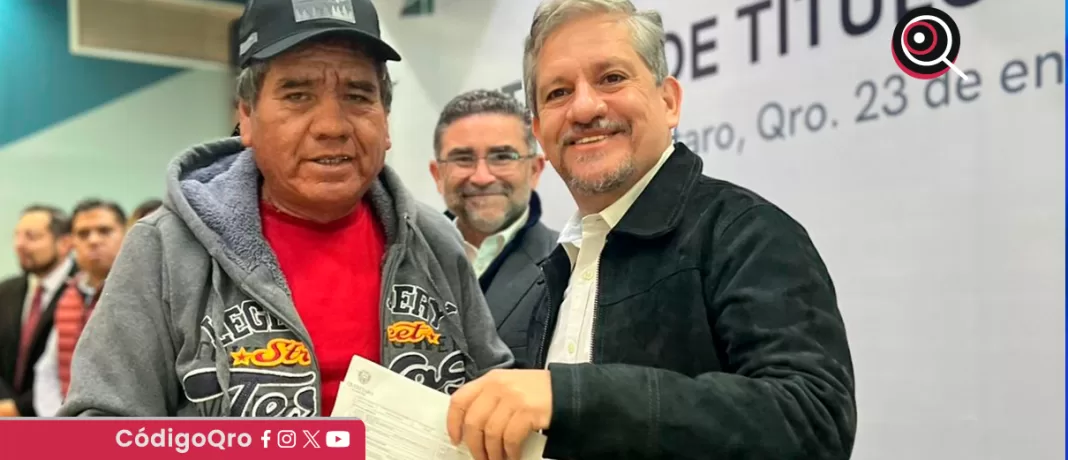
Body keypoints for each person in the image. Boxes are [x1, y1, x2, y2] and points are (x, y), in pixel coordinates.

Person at [59, 0, 512, 418]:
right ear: (247, 117)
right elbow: (96, 427)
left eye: (358, 95)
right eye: (298, 95)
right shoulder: (165, 249)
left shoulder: (434, 241)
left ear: (386, 121)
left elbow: (494, 397)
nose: (332, 126)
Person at [445, 1, 857, 459]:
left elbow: (814, 421)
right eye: (559, 92)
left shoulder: (746, 232)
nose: (584, 107)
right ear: (540, 132)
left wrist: (569, 397)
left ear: (669, 101)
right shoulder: (566, 265)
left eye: (611, 78)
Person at [429, 89, 558, 362]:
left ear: (535, 170)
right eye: (463, 158)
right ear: (438, 175)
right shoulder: (404, 260)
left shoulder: (569, 266)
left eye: (502, 157)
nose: (482, 177)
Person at [33, 199, 127, 416]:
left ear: (126, 234)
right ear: (72, 241)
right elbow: (48, 369)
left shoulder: (141, 292)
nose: (93, 240)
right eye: (83, 234)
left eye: (104, 231)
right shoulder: (68, 295)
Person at [0, 205, 75, 417]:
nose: (19, 244)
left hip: (58, 416)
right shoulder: (6, 290)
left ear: (64, 243)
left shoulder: (82, 291)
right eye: (17, 236)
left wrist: (20, 408)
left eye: (31, 237)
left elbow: (74, 369)